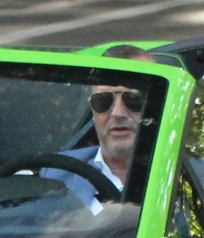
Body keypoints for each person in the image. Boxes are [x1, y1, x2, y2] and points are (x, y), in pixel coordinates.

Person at [40, 79, 152, 212]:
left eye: (133, 100)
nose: (117, 113)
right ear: (93, 113)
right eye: (103, 101)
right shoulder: (58, 171)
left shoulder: (172, 175)